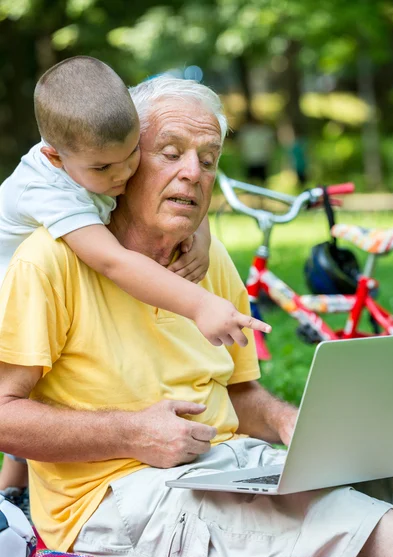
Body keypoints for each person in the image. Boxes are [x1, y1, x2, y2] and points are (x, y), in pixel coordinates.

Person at [0, 76, 393, 557]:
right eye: (170, 153)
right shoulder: (50, 260)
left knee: (380, 472)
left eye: (208, 160)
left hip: (228, 465)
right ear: (125, 162)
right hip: (113, 499)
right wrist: (132, 432)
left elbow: (238, 392)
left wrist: (285, 422)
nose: (193, 173)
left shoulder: (204, 259)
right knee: (344, 521)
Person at [0, 58, 270, 512]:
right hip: (10, 288)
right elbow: (114, 261)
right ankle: (14, 494)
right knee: (26, 382)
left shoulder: (92, 159)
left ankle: (15, 491)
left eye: (132, 159)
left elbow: (184, 188)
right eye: (165, 153)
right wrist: (200, 303)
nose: (122, 177)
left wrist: (198, 234)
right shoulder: (51, 194)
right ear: (55, 157)